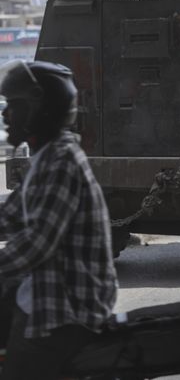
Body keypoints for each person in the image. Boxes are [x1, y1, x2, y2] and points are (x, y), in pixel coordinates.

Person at [0, 61, 117, 379]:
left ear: (39, 109)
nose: (5, 115)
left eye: (13, 106)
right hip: (48, 290)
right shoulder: (44, 158)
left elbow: (36, 245)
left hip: (64, 307)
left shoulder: (61, 161)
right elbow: (8, 216)